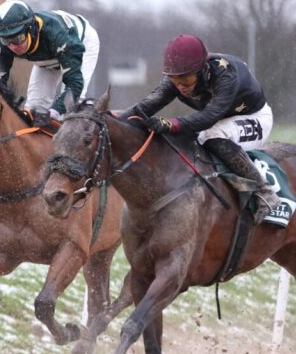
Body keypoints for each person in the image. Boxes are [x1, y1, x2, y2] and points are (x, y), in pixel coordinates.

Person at [120, 33, 280, 223]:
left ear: (202, 69)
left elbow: (209, 117)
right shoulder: (177, 79)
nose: (180, 86)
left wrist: (171, 124)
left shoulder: (225, 74)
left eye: (186, 80)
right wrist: (111, 121)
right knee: (186, 139)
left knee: (210, 135)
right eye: (174, 80)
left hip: (253, 117)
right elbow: (144, 108)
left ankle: (265, 191)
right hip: (219, 120)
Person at [0, 0, 100, 125]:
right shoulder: (4, 44)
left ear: (30, 28)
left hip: (82, 42)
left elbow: (74, 85)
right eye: (6, 40)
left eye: (18, 38)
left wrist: (55, 112)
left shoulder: (59, 36)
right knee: (34, 108)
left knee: (70, 107)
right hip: (48, 53)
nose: (12, 46)